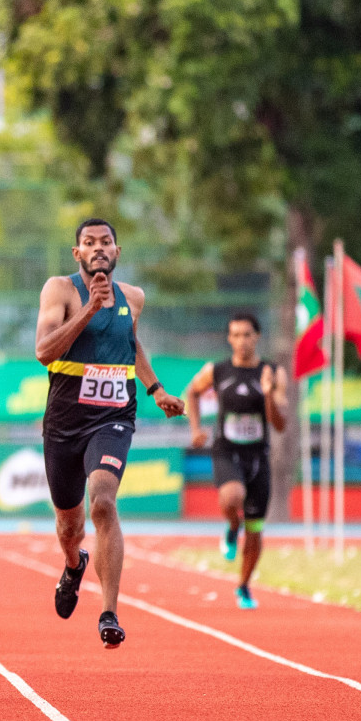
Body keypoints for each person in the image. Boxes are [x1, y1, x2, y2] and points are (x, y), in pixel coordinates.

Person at [35, 218, 185, 648]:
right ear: (76, 253)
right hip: (64, 421)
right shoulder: (59, 291)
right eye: (88, 242)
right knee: (70, 525)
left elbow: (130, 343)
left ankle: (109, 612)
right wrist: (89, 310)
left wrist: (156, 389)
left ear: (117, 252)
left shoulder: (133, 298)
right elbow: (44, 351)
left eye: (106, 242)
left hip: (113, 416)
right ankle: (72, 563)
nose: (98, 248)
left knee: (102, 501)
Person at [185, 312, 288, 609]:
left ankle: (243, 586)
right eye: (236, 335)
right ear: (229, 338)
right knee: (232, 496)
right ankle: (232, 525)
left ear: (257, 337)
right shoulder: (217, 370)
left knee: (255, 530)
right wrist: (195, 428)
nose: (241, 341)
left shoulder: (272, 372)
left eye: (247, 335)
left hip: (258, 456)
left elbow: (279, 424)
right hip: (226, 450)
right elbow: (192, 392)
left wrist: (268, 395)